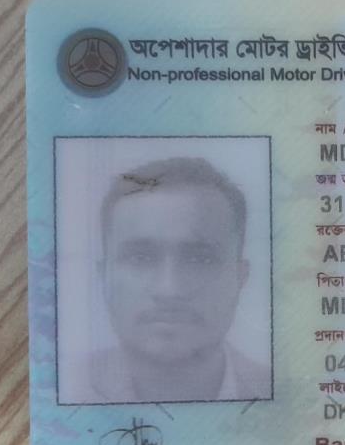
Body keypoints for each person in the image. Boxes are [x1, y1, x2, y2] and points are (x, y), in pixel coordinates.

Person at [88, 157, 269, 402]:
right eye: (140, 258)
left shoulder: (295, 401)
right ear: (104, 276)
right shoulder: (57, 390)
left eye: (200, 260)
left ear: (240, 277)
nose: (169, 290)